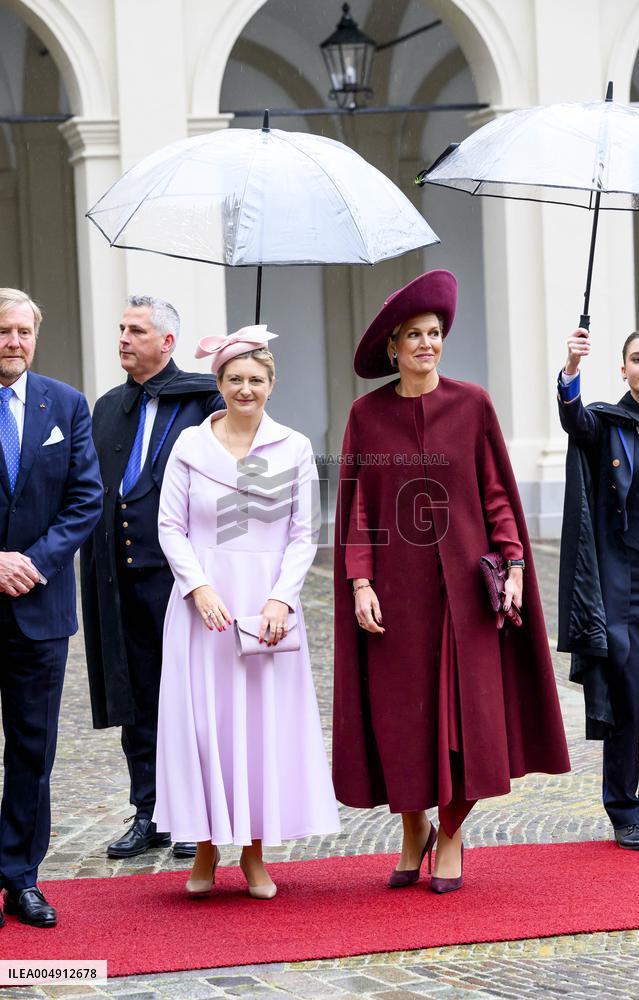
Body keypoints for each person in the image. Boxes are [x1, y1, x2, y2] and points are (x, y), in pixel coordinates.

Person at [333, 270, 570, 893]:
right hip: (396, 597)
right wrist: (361, 583)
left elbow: (496, 493)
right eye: (413, 335)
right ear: (393, 346)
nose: (426, 345)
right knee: (402, 720)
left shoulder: (472, 404)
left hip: (467, 593)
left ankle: (454, 832)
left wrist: (515, 563)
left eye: (434, 334)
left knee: (472, 722)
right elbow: (356, 508)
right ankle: (414, 829)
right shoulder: (366, 415)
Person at [153, 325, 339, 899]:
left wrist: (281, 598)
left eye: (256, 379)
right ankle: (205, 849)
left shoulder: (293, 447)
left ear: (271, 384)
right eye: (234, 379)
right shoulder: (189, 446)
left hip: (266, 607)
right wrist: (198, 588)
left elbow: (304, 533)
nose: (245, 388)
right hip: (201, 607)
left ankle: (255, 853)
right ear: (219, 383)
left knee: (259, 729)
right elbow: (170, 527)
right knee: (205, 726)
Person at [81, 295, 223, 861]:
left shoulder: (202, 398)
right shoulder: (108, 406)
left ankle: (191, 814)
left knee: (184, 695)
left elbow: (241, 457)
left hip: (180, 577)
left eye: (135, 330)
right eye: (120, 328)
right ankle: (149, 811)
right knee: (135, 693)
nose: (122, 338)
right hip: (117, 574)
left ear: (166, 342)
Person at [0, 288, 102, 928]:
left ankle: (20, 878)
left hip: (39, 607)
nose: (13, 341)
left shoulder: (64, 404)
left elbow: (86, 498)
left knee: (32, 751)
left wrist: (32, 562)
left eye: (22, 331)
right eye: (2, 330)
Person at [557, 325, 639, 851]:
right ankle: (624, 810)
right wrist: (572, 370)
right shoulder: (606, 423)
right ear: (623, 369)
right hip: (621, 580)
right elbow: (572, 418)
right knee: (626, 692)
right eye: (637, 359)